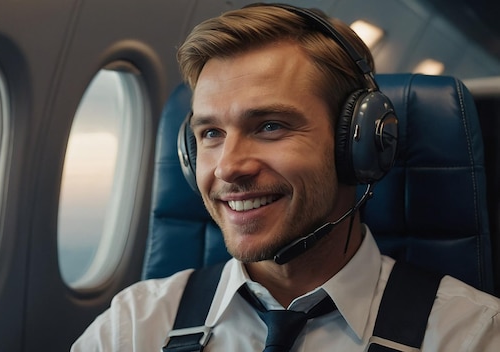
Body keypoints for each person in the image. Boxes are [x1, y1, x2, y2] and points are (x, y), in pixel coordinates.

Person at [71, 3, 500, 351]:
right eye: (212, 133)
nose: (228, 167)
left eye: (270, 126)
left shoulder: (471, 335)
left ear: (358, 145)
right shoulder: (133, 327)